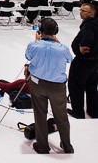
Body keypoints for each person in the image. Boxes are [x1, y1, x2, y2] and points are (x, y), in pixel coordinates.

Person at [25, 18, 73, 154]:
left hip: (38, 84)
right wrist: (58, 43)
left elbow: (28, 57)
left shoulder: (33, 45)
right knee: (61, 116)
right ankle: (67, 145)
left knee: (40, 114)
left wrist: (37, 41)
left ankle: (42, 146)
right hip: (57, 87)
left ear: (40, 30)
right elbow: (69, 59)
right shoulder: (63, 48)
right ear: (55, 31)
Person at [67, 3, 98, 119]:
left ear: (91, 14)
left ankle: (78, 112)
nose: (80, 12)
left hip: (83, 61)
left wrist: (79, 47)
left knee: (76, 86)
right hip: (94, 62)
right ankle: (93, 111)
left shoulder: (89, 26)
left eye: (83, 11)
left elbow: (86, 43)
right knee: (91, 86)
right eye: (80, 10)